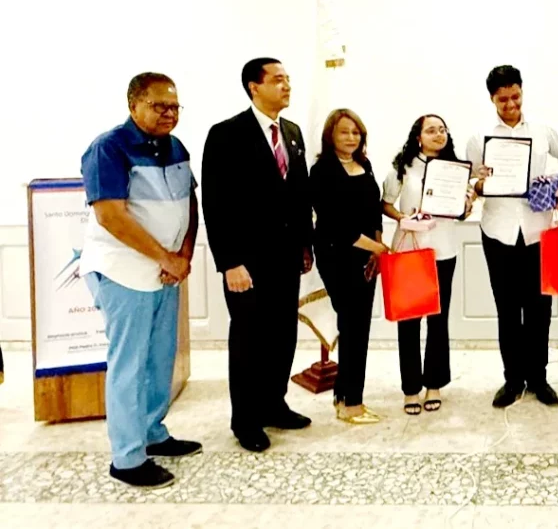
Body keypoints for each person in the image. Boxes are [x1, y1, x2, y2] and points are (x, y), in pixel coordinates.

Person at [79, 72, 201, 488]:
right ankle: (127, 458)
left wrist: (183, 256)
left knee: (159, 357)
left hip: (167, 271)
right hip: (124, 271)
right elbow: (110, 216)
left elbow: (189, 204)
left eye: (174, 106)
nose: (169, 113)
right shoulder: (108, 147)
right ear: (133, 105)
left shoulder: (176, 147)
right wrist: (165, 257)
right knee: (129, 363)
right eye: (158, 105)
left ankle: (152, 433)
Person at [202, 58, 314, 453]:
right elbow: (216, 203)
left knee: (283, 334)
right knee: (250, 338)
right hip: (246, 262)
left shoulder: (292, 132)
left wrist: (305, 244)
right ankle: (246, 420)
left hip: (287, 257)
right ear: (254, 87)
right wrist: (230, 262)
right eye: (278, 80)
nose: (287, 86)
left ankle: (273, 404)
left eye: (288, 79)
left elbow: (299, 193)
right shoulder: (226, 134)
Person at [466, 65, 558, 408]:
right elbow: (469, 182)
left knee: (539, 310)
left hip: (538, 231)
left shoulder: (543, 131)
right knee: (507, 310)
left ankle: (539, 378)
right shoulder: (479, 138)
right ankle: (512, 379)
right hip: (497, 232)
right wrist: (479, 183)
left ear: (521, 91)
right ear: (492, 99)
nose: (511, 104)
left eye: (515, 96)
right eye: (503, 99)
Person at [383, 115, 474, 415]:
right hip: (410, 249)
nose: (439, 134)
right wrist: (403, 218)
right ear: (418, 137)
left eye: (443, 130)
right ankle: (410, 388)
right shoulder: (403, 167)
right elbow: (386, 203)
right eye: (431, 130)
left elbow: (461, 211)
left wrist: (467, 204)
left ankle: (434, 384)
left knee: (438, 320)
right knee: (409, 322)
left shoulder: (456, 169)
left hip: (443, 251)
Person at [310, 109, 388, 425]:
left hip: (368, 256)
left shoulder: (364, 165)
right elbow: (334, 224)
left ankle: (344, 396)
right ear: (331, 135)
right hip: (337, 256)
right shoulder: (321, 171)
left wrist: (378, 249)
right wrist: (376, 248)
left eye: (356, 132)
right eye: (344, 132)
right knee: (352, 326)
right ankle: (351, 404)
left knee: (359, 327)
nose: (351, 138)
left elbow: (374, 212)